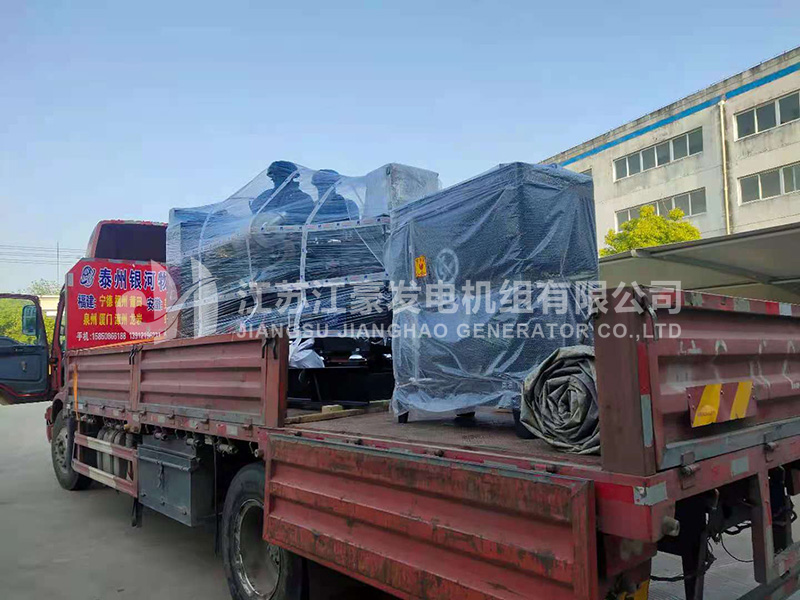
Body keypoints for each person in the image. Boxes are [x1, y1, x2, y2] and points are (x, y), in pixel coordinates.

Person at [249, 160, 314, 225]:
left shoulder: (302, 198)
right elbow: (255, 214)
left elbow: (305, 219)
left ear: (289, 176)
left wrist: (282, 218)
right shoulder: (265, 195)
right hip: (261, 230)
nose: (273, 178)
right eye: (272, 175)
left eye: (278, 175)